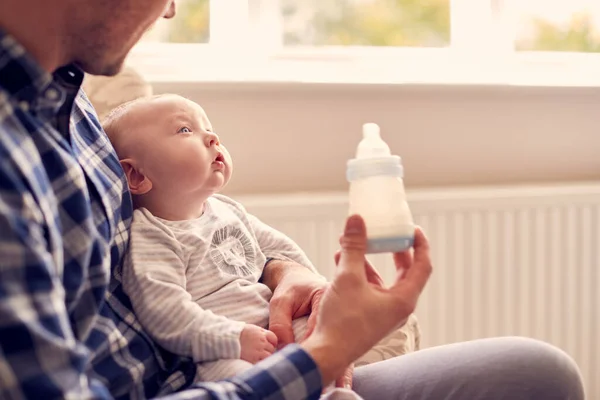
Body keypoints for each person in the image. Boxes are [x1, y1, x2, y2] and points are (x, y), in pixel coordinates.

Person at [0, 0, 585, 399]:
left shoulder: (68, 101)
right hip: (221, 375)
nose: (172, 7)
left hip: (261, 366)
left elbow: (245, 239)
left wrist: (288, 274)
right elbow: (161, 301)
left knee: (537, 371)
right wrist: (323, 355)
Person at [104, 93, 359, 398]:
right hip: (224, 352)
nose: (212, 137)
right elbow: (166, 313)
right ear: (136, 175)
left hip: (275, 326)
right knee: (243, 379)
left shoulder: (226, 209)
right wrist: (234, 338)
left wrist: (317, 294)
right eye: (185, 130)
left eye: (208, 127)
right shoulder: (153, 235)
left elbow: (284, 252)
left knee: (330, 346)